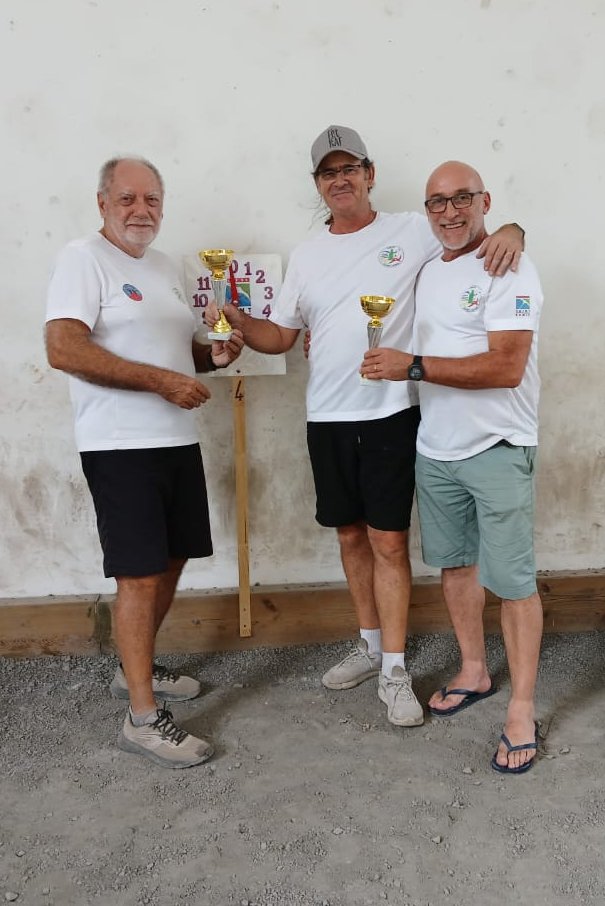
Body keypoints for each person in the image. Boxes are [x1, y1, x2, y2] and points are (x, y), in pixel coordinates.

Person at [207, 126, 523, 728]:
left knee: (388, 542)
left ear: (370, 174)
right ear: (318, 185)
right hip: (325, 417)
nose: (341, 179)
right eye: (329, 172)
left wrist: (511, 230)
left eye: (350, 168)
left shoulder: (411, 230)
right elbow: (282, 337)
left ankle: (396, 669)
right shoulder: (306, 255)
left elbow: (470, 233)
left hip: (390, 415)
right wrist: (239, 321)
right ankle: (370, 645)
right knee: (350, 537)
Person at [45, 156, 244, 768]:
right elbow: (62, 347)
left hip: (174, 441)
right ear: (102, 202)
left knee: (171, 561)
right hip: (118, 444)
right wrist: (160, 380)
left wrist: (213, 356)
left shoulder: (162, 268)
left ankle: (138, 669)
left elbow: (178, 354)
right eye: (128, 199)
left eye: (152, 200)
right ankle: (141, 718)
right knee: (136, 575)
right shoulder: (83, 259)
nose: (142, 211)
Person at [362, 160, 543, 773]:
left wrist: (412, 366)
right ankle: (474, 669)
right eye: (437, 202)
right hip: (435, 450)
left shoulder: (507, 262)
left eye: (462, 199)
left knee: (514, 582)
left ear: (484, 200)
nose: (449, 212)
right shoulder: (426, 266)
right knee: (456, 567)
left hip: (497, 446)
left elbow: (506, 367)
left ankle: (521, 708)